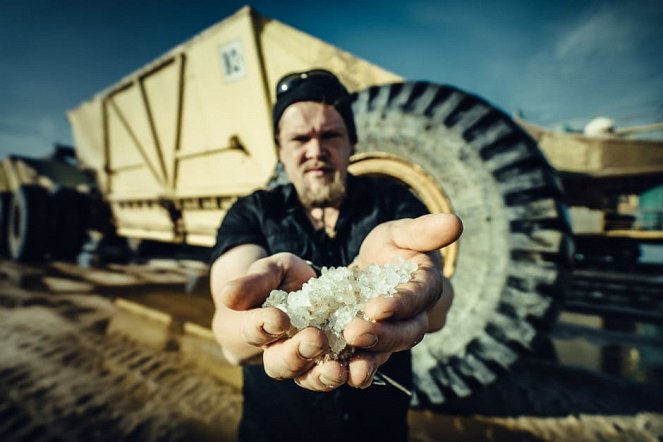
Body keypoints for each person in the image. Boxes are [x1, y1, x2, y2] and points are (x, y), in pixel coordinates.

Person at [209, 69, 462, 442]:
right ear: (281, 150)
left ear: (351, 143)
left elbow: (440, 306)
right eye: (299, 139)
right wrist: (256, 321)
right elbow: (227, 328)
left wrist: (429, 288)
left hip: (379, 430)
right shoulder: (252, 212)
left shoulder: (392, 201)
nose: (315, 151)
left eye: (330, 135)